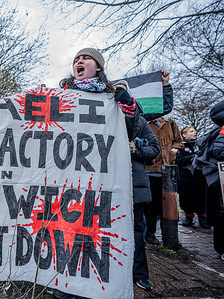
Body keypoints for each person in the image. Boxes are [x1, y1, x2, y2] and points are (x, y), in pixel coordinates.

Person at [53, 48, 139, 298]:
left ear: (98, 68)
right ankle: (62, 285)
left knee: (94, 231)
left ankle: (92, 287)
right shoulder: (61, 95)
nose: (79, 61)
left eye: (86, 58)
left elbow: (130, 132)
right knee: (65, 229)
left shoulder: (112, 98)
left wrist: (128, 107)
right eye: (76, 59)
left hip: (100, 179)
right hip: (67, 176)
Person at [117, 80, 160, 291]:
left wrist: (136, 150)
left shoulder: (140, 122)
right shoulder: (101, 118)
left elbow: (154, 149)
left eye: (123, 92)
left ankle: (139, 274)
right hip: (108, 185)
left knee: (136, 232)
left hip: (135, 185)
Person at [145, 94, 184, 245]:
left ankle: (170, 235)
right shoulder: (146, 123)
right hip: (151, 169)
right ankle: (150, 233)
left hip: (168, 170)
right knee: (152, 205)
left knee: (168, 204)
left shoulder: (171, 123)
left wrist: (174, 150)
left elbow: (179, 142)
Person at [195, 100, 224, 262]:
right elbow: (219, 150)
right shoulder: (223, 129)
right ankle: (221, 248)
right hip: (219, 179)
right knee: (221, 214)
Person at [176, 126, 209, 228]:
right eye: (191, 131)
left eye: (194, 130)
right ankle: (188, 218)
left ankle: (203, 219)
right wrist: (193, 157)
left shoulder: (200, 145)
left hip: (200, 178)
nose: (194, 132)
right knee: (187, 199)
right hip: (187, 178)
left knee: (201, 198)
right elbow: (179, 160)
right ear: (184, 135)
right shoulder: (181, 147)